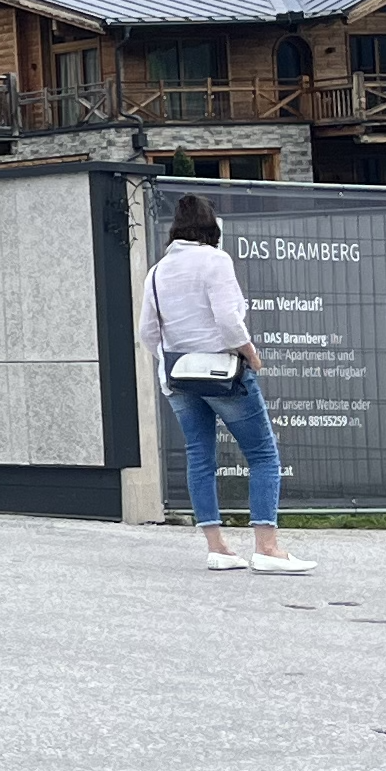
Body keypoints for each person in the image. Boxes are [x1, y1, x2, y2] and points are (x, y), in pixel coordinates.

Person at [139, 191, 310, 574]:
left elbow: (147, 333)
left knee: (200, 456)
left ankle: (218, 548)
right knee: (264, 455)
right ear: (211, 228)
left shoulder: (156, 272)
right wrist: (250, 352)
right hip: (223, 374)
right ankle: (267, 548)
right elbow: (228, 319)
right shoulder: (216, 260)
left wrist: (181, 362)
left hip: (178, 377)